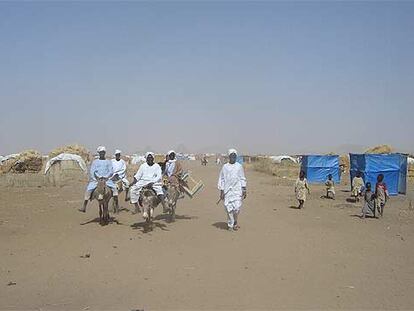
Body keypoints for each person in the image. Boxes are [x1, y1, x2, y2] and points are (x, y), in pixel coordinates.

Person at [79, 146, 118, 212]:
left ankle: (116, 206)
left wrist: (106, 177)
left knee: (115, 189)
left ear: (105, 153)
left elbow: (111, 171)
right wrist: (98, 177)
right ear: (99, 153)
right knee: (89, 189)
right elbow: (92, 171)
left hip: (106, 180)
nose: (102, 154)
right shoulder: (95, 162)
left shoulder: (108, 161)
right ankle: (84, 206)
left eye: (103, 152)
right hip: (97, 180)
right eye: (101, 152)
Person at [218, 149, 247, 231]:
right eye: (232, 156)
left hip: (237, 190)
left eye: (235, 156)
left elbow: (242, 178)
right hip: (227, 191)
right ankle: (231, 224)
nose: (233, 157)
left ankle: (235, 221)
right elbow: (222, 179)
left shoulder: (239, 166)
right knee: (229, 208)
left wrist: (244, 189)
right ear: (229, 157)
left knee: (237, 208)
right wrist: (221, 191)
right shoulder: (225, 167)